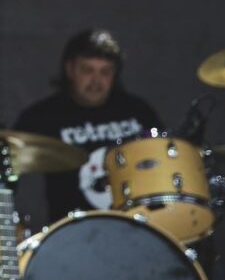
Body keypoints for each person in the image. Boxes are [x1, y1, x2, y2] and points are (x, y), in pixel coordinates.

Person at [12, 28, 163, 223]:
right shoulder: (44, 116)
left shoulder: (138, 111)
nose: (96, 81)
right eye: (87, 70)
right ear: (70, 69)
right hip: (72, 230)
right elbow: (7, 162)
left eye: (105, 72)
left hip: (135, 224)